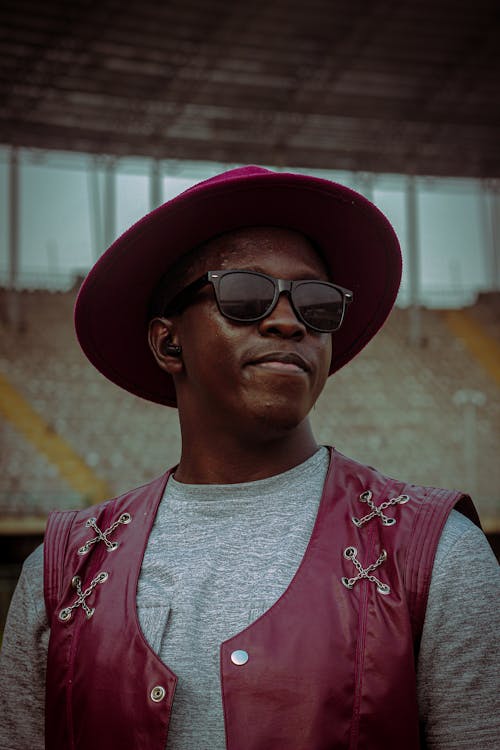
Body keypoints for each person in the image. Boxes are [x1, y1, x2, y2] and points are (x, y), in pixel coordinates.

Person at [0, 165, 498, 750]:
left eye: (318, 303)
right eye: (243, 294)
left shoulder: (440, 558)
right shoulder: (59, 575)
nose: (288, 321)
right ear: (168, 342)